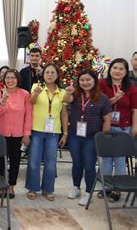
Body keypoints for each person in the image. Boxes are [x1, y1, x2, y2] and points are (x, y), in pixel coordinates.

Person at [64, 69, 112, 206]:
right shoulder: (76, 95)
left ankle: (87, 192)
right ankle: (76, 187)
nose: (85, 82)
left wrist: (103, 139)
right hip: (75, 135)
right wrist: (68, 92)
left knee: (89, 165)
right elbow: (66, 101)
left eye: (88, 80)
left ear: (94, 80)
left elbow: (107, 120)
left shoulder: (103, 98)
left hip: (92, 137)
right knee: (77, 163)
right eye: (82, 80)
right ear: (78, 82)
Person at [25, 64, 68, 201]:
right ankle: (32, 188)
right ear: (43, 75)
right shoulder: (36, 87)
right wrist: (36, 93)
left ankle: (48, 189)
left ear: (57, 75)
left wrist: (65, 133)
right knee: (33, 161)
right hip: (37, 129)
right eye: (47, 72)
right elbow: (31, 103)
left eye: (52, 72)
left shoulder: (62, 92)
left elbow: (64, 114)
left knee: (51, 162)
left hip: (53, 132)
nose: (50, 75)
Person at [98, 58, 137, 202]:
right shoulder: (102, 84)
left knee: (120, 160)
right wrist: (114, 99)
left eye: (121, 69)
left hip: (123, 127)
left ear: (126, 72)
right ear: (110, 69)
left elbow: (135, 109)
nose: (117, 71)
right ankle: (106, 187)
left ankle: (117, 190)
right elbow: (100, 104)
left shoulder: (131, 87)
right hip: (107, 126)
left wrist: (135, 126)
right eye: (115, 68)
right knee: (106, 159)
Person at [0, 69, 32, 199]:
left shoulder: (25, 94)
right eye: (8, 78)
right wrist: (3, 100)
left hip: (18, 134)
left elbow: (28, 115)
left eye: (13, 78)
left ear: (18, 80)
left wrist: (27, 133)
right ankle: (1, 185)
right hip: (2, 133)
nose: (10, 80)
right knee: (0, 161)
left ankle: (11, 186)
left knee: (15, 161)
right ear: (4, 80)